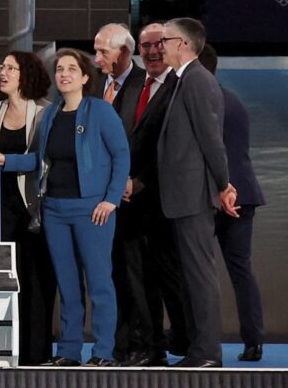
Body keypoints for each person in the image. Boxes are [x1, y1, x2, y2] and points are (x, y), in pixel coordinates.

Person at [26, 48, 128, 367]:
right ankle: (69, 351)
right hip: (55, 209)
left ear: (85, 77)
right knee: (68, 286)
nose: (64, 74)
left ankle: (102, 352)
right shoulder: (52, 114)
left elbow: (121, 155)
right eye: (59, 69)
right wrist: (4, 160)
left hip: (92, 209)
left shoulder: (99, 111)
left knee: (99, 283)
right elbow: (39, 160)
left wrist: (110, 199)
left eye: (71, 69)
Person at [147, 18, 237, 369]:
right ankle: (200, 349)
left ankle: (207, 353)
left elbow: (211, 140)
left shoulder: (198, 81)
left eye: (164, 41)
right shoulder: (184, 80)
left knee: (199, 274)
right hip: (183, 196)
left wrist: (223, 184)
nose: (159, 48)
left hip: (194, 196)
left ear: (182, 44)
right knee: (192, 275)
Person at [0, 50, 57, 365]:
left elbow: (44, 160)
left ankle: (37, 353)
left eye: (10, 67)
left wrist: (6, 161)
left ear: (26, 74)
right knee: (7, 280)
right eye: (2, 66)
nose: (3, 72)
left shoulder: (44, 112)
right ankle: (8, 349)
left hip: (33, 207)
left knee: (37, 280)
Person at [114, 21, 181, 365]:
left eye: (159, 44)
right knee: (133, 281)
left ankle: (167, 344)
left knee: (162, 282)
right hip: (126, 204)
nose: (153, 51)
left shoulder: (180, 87)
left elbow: (175, 148)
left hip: (162, 203)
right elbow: (124, 140)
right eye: (146, 45)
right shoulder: (133, 86)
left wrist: (141, 181)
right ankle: (142, 346)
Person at [204, 47, 266, 363]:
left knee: (196, 270)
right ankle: (254, 340)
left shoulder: (204, 101)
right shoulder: (235, 100)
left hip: (213, 196)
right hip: (245, 193)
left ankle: (190, 337)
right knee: (241, 270)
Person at [93, 23, 139, 106]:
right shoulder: (91, 78)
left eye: (104, 52)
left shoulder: (144, 83)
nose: (96, 60)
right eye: (96, 51)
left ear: (124, 51)